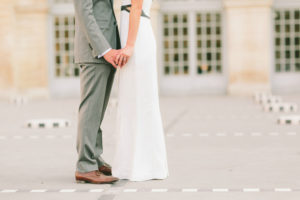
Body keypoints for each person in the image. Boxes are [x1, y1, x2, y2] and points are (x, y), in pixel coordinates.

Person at [112, 0, 169, 181]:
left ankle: (144, 166)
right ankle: (134, 164)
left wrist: (129, 46)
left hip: (136, 40)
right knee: (131, 102)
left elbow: (135, 7)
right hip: (133, 34)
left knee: (140, 102)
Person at [73, 0, 125, 184]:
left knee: (97, 112)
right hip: (95, 51)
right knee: (90, 110)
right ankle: (85, 166)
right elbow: (84, 14)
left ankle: (94, 157)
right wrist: (105, 50)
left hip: (107, 50)